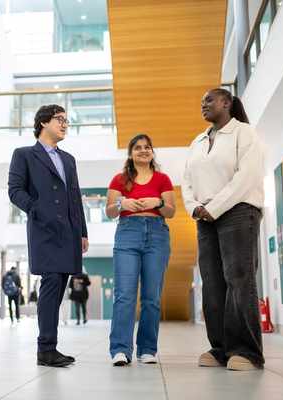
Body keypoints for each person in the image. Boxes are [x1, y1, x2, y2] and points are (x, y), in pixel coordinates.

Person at [181, 88, 265, 371]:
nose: (203, 104)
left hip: (238, 212)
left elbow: (246, 177)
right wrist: (194, 207)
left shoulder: (244, 133)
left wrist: (214, 207)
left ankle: (247, 352)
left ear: (227, 103)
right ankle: (220, 349)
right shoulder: (198, 140)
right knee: (213, 283)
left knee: (238, 279)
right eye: (201, 100)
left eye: (209, 99)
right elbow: (187, 180)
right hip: (204, 217)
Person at [8, 104, 89, 368]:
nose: (65, 124)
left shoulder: (69, 159)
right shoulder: (24, 155)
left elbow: (75, 198)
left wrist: (83, 232)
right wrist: (36, 208)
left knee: (57, 288)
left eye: (67, 121)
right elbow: (15, 190)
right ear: (43, 122)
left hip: (69, 231)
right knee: (51, 283)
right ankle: (46, 349)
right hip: (44, 229)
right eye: (59, 119)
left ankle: (49, 348)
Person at [106, 134, 176, 366]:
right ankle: (120, 349)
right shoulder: (119, 179)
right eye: (138, 148)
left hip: (156, 235)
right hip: (128, 234)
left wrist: (157, 203)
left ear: (152, 152)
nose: (144, 151)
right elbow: (109, 211)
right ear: (131, 153)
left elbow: (171, 211)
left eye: (148, 147)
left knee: (151, 298)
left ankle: (147, 349)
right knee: (124, 295)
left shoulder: (163, 179)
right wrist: (121, 203)